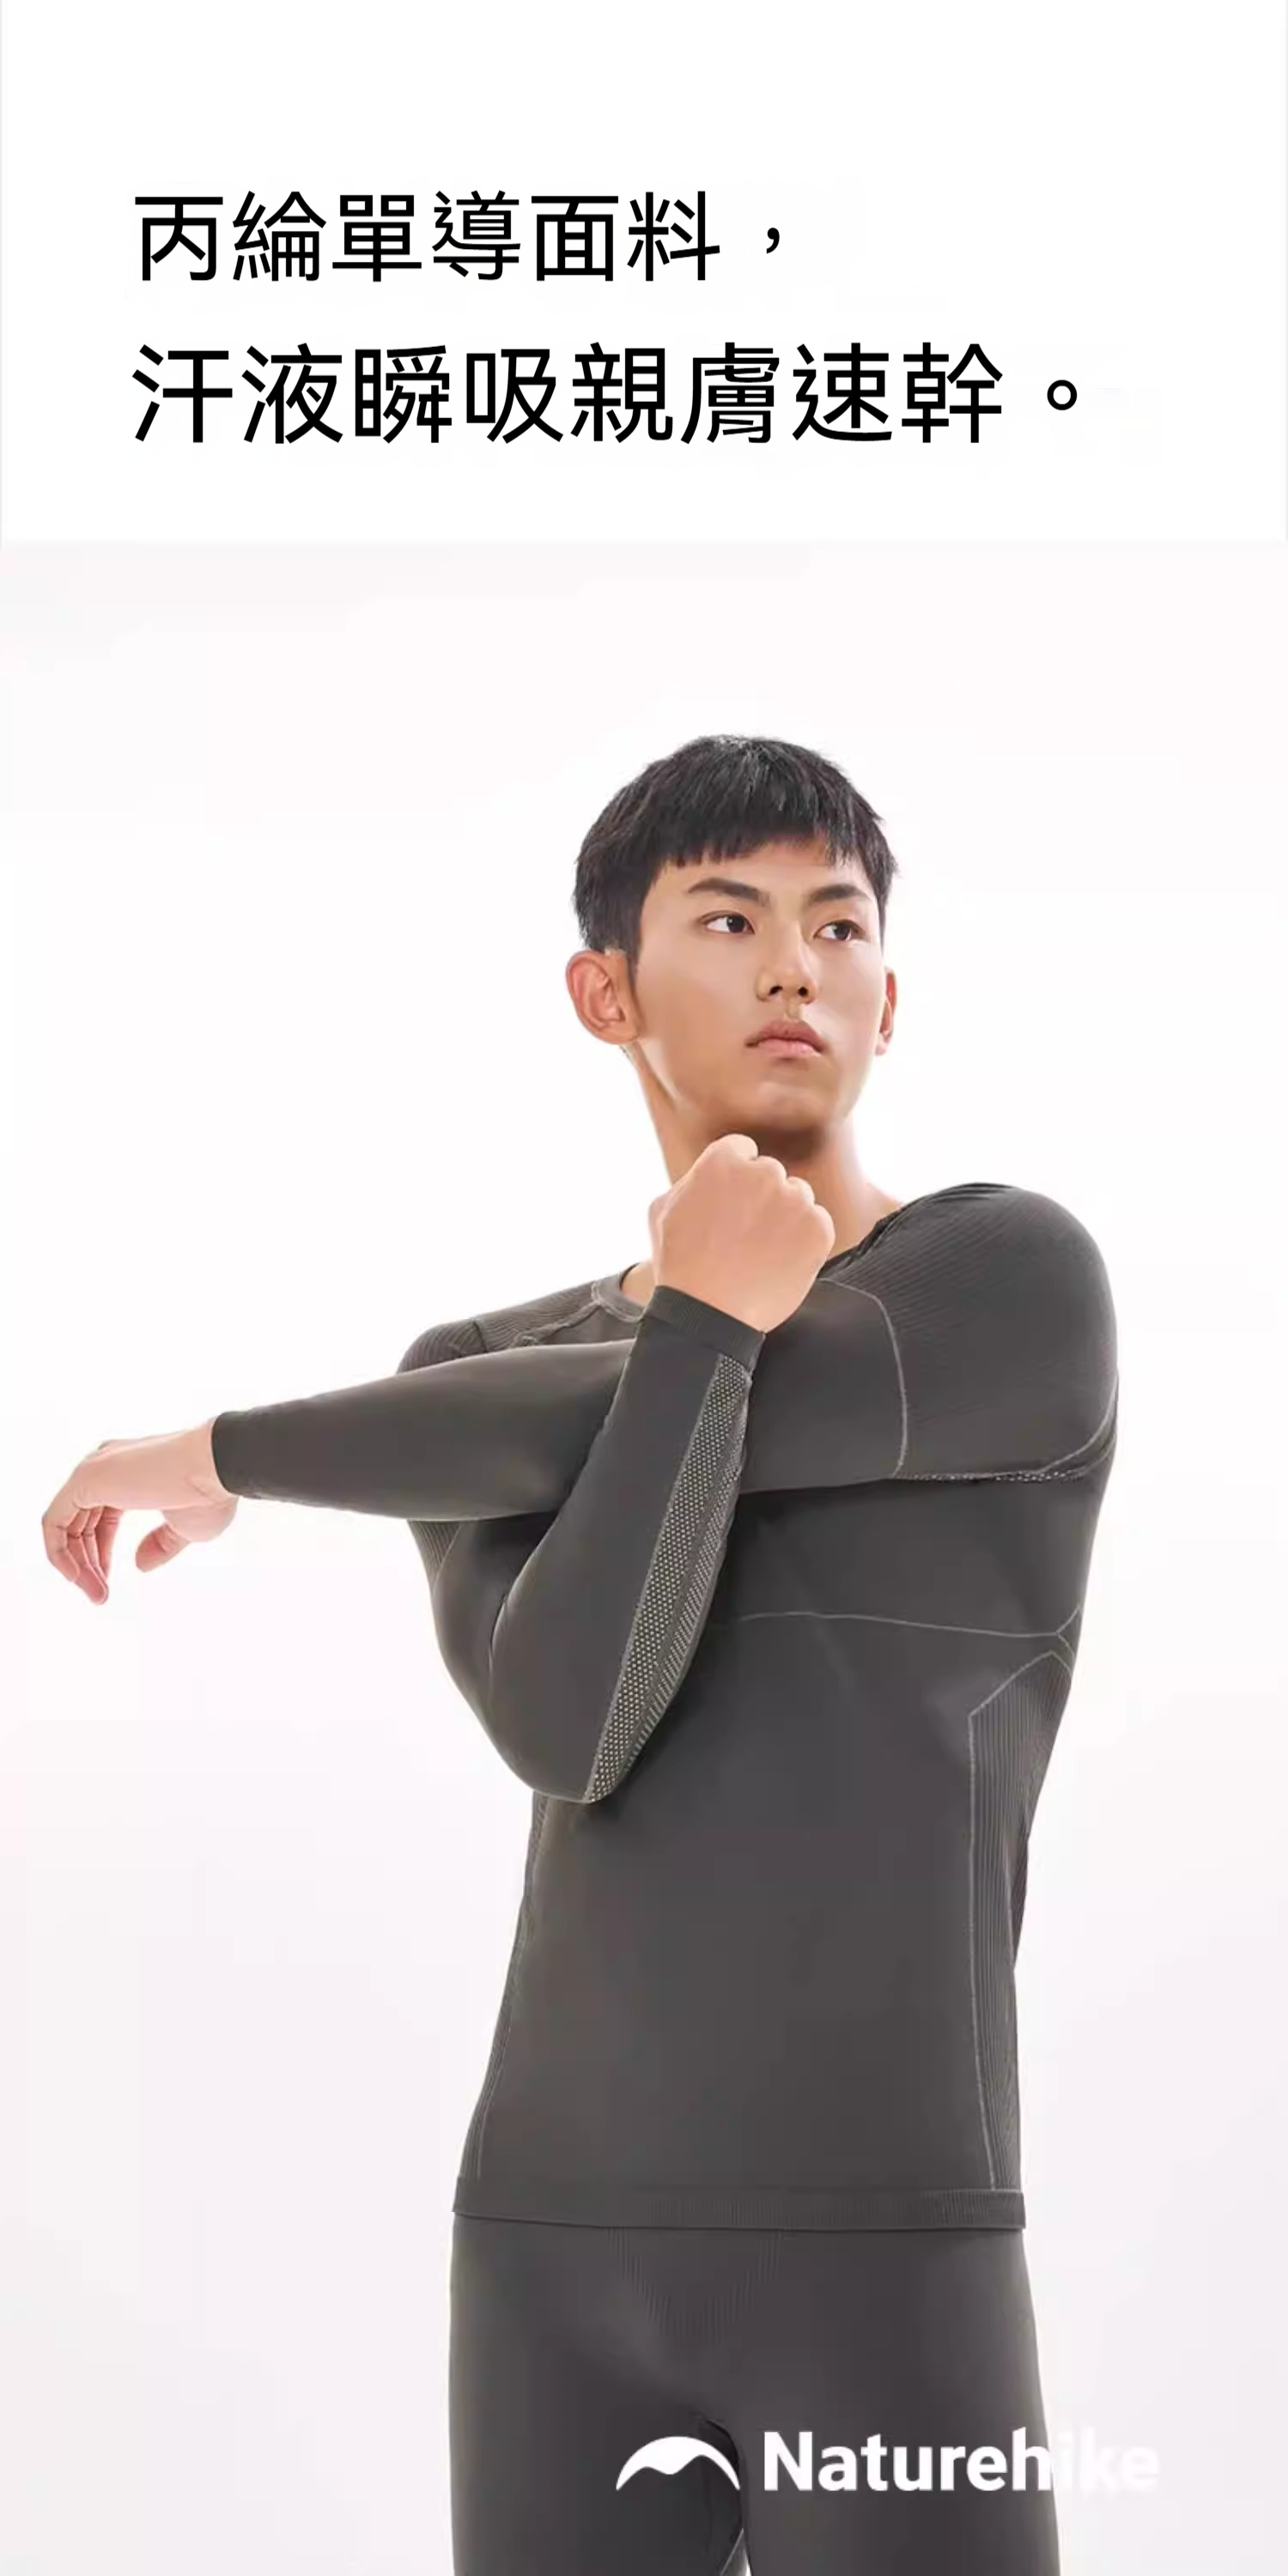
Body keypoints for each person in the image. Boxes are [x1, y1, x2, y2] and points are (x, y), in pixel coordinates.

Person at [42, 735, 1118, 2573]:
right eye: (731, 919)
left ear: (890, 997)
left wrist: (225, 1451)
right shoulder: (472, 1371)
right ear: (605, 992)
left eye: (838, 925)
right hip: (550, 2249)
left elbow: (664, 1404)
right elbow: (570, 1724)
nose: (797, 968)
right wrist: (697, 1326)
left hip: (890, 2246)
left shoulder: (1004, 1286)